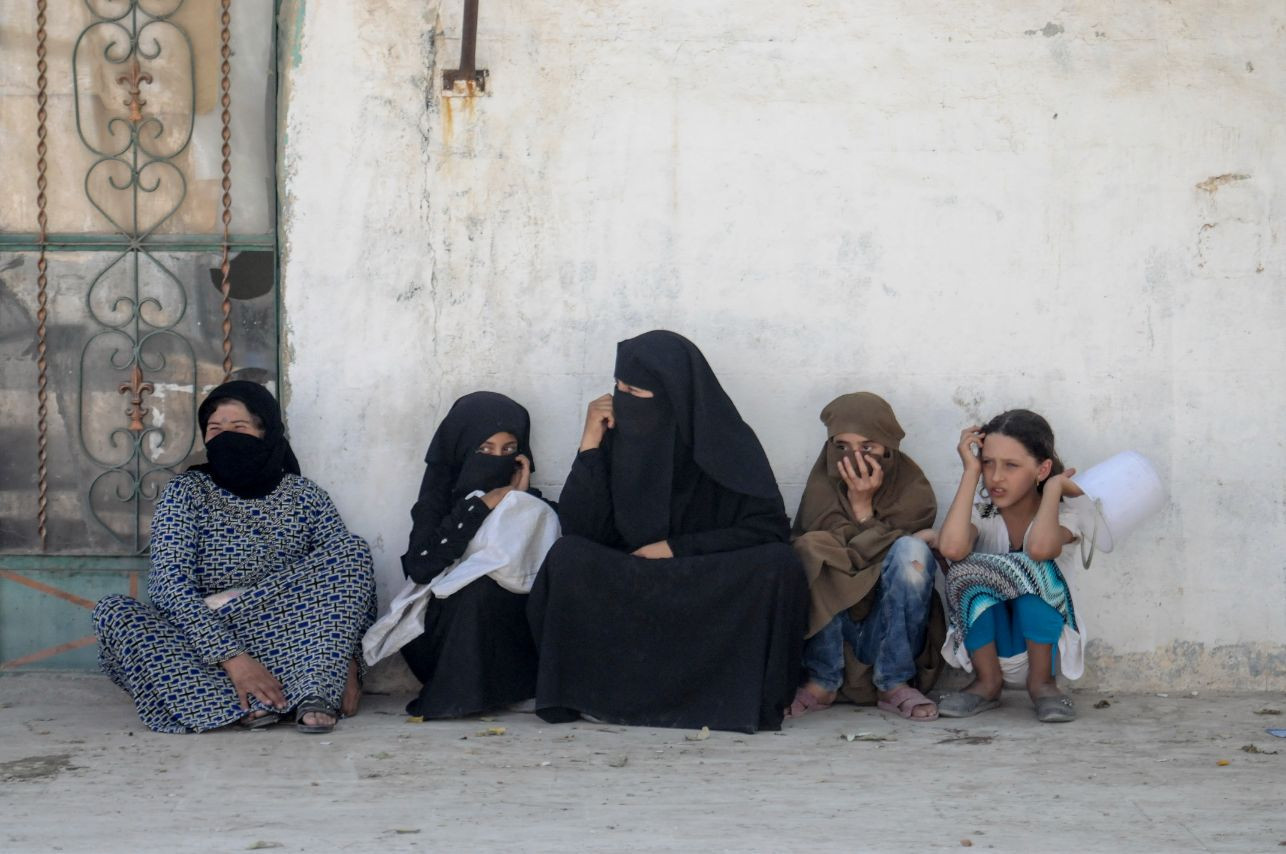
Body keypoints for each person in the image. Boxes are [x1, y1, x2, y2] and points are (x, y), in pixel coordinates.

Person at [527, 330, 808, 733]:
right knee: (567, 556)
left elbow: (768, 529)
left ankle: (724, 698)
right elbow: (581, 529)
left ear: (674, 397)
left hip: (703, 580)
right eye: (618, 387)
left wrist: (676, 548)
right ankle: (589, 694)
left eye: (635, 392)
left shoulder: (727, 442)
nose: (622, 400)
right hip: (631, 575)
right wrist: (589, 444)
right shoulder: (616, 438)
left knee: (779, 564)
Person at [92, 380, 376, 734]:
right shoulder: (186, 492)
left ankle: (305, 687)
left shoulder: (305, 497)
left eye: (238, 428)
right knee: (114, 613)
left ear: (265, 432)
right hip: (207, 634)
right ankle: (251, 694)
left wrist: (349, 664)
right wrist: (233, 657)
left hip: (291, 633)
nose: (226, 437)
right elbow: (169, 585)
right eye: (215, 429)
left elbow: (349, 587)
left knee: (352, 551)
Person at [367, 392, 558, 719]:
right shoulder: (437, 503)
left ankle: (509, 687)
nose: (497, 460)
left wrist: (517, 504)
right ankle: (458, 691)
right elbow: (421, 566)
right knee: (477, 589)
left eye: (508, 450)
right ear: (461, 450)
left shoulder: (533, 505)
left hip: (505, 643)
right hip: (443, 638)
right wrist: (481, 506)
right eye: (485, 450)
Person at [788, 392, 944, 720]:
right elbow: (826, 546)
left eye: (868, 447)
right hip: (835, 631)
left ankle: (894, 681)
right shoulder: (822, 487)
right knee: (810, 549)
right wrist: (875, 532)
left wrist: (862, 510)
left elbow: (889, 558)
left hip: (886, 629)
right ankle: (822, 680)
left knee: (911, 552)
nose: (855, 459)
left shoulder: (913, 491)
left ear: (888, 448)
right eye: (842, 447)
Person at [935, 409, 1087, 722]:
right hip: (990, 647)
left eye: (1011, 466)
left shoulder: (1065, 515)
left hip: (1045, 648)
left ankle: (1043, 684)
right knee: (962, 570)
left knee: (1035, 566)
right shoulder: (983, 513)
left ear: (1042, 469)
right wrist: (970, 472)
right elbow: (951, 548)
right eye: (988, 463)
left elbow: (1040, 549)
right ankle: (987, 683)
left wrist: (1054, 489)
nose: (995, 477)